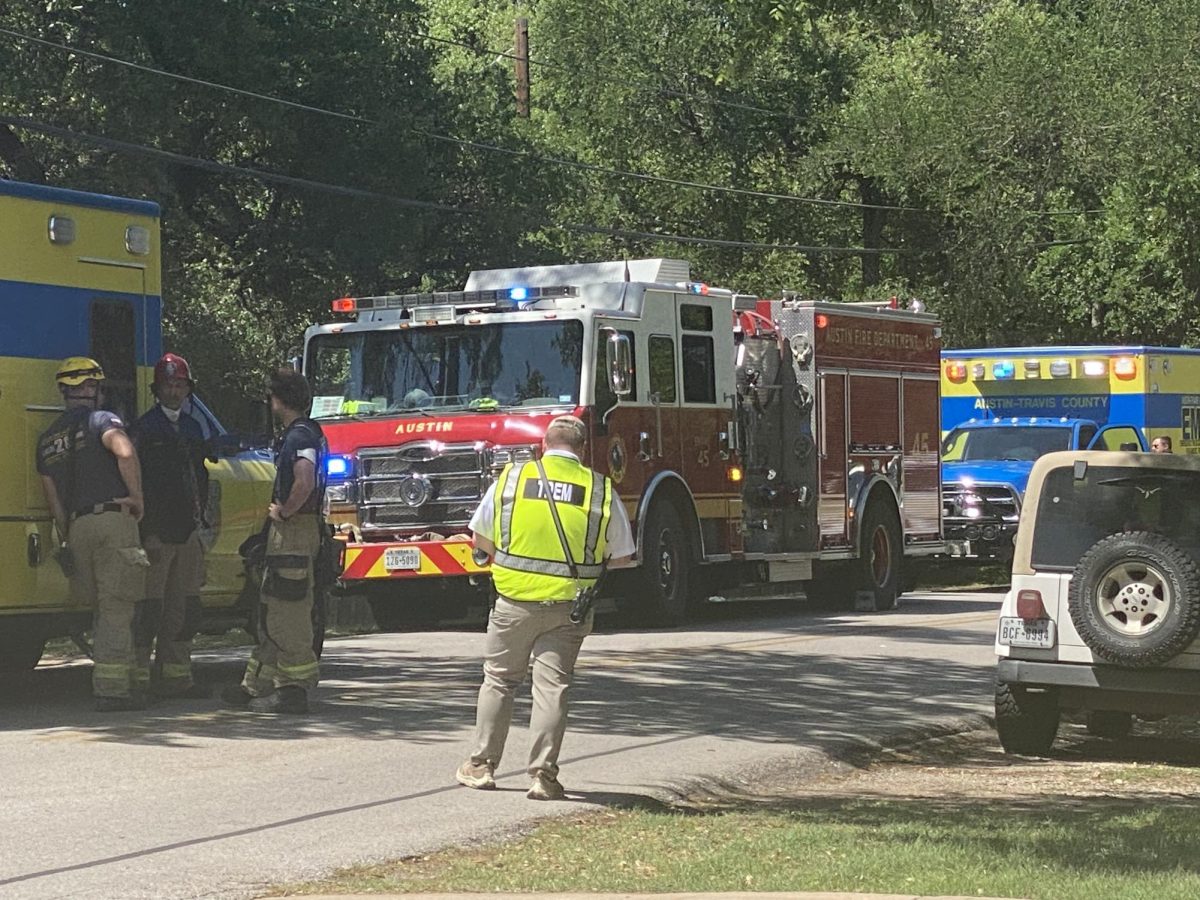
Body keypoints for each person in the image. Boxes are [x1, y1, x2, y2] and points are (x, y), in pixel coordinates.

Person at [456, 415, 634, 801]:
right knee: (552, 688)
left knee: (500, 680)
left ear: (543, 446)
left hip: (514, 602)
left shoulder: (511, 480)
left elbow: (481, 539)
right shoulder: (599, 489)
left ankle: (482, 767)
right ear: (584, 450)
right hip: (570, 607)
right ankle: (542, 775)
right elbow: (622, 556)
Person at [37, 357, 149, 712]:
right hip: (112, 520)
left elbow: (54, 501)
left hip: (77, 527)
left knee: (102, 608)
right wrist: (136, 497)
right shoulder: (102, 419)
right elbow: (125, 450)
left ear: (64, 390)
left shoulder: (47, 440)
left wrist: (68, 535)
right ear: (93, 388)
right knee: (118, 607)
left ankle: (117, 680)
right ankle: (113, 690)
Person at [224, 368, 326, 714]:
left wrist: (284, 512)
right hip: (295, 533)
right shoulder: (308, 434)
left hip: (294, 532)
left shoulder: (298, 437)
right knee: (270, 608)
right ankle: (256, 685)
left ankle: (294, 689)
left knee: (288, 612)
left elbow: (305, 480)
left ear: (278, 400)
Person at [131, 353, 211, 699]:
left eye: (179, 385)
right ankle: (138, 679)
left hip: (188, 531)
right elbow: (140, 484)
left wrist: (201, 526)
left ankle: (178, 677)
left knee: (184, 609)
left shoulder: (194, 429)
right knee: (149, 610)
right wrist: (146, 531)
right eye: (168, 385)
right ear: (157, 389)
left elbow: (201, 479)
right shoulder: (144, 430)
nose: (174, 391)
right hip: (157, 534)